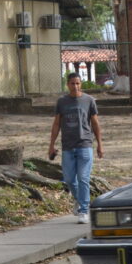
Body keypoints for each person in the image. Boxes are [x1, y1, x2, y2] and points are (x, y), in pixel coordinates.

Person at [48, 73, 103, 224]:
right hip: (67, 146)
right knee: (70, 179)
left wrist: (99, 144)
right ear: (68, 85)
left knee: (83, 178)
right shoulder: (62, 102)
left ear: (81, 84)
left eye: (78, 83)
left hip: (85, 144)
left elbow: (95, 124)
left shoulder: (89, 100)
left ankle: (84, 210)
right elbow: (56, 124)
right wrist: (51, 145)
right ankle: (79, 200)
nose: (75, 86)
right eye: (72, 83)